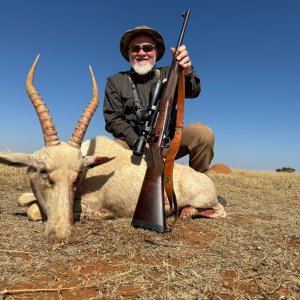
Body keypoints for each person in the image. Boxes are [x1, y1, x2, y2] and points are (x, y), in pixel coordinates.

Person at [103, 25, 215, 173]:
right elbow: (113, 119)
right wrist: (136, 141)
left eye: (148, 48)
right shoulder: (115, 81)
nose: (141, 53)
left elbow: (193, 91)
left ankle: (202, 187)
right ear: (128, 53)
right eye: (135, 48)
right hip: (133, 147)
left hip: (167, 144)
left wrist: (187, 72)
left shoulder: (170, 73)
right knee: (114, 148)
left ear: (156, 52)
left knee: (202, 134)